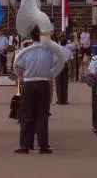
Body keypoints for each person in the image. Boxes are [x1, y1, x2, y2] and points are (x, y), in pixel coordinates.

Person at [13, 25, 59, 154]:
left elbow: (19, 69)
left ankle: (25, 145)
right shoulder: (48, 51)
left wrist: (21, 80)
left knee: (26, 115)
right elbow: (52, 72)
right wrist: (51, 90)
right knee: (42, 116)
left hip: (29, 84)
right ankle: (43, 145)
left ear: (31, 37)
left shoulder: (26, 51)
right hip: (43, 83)